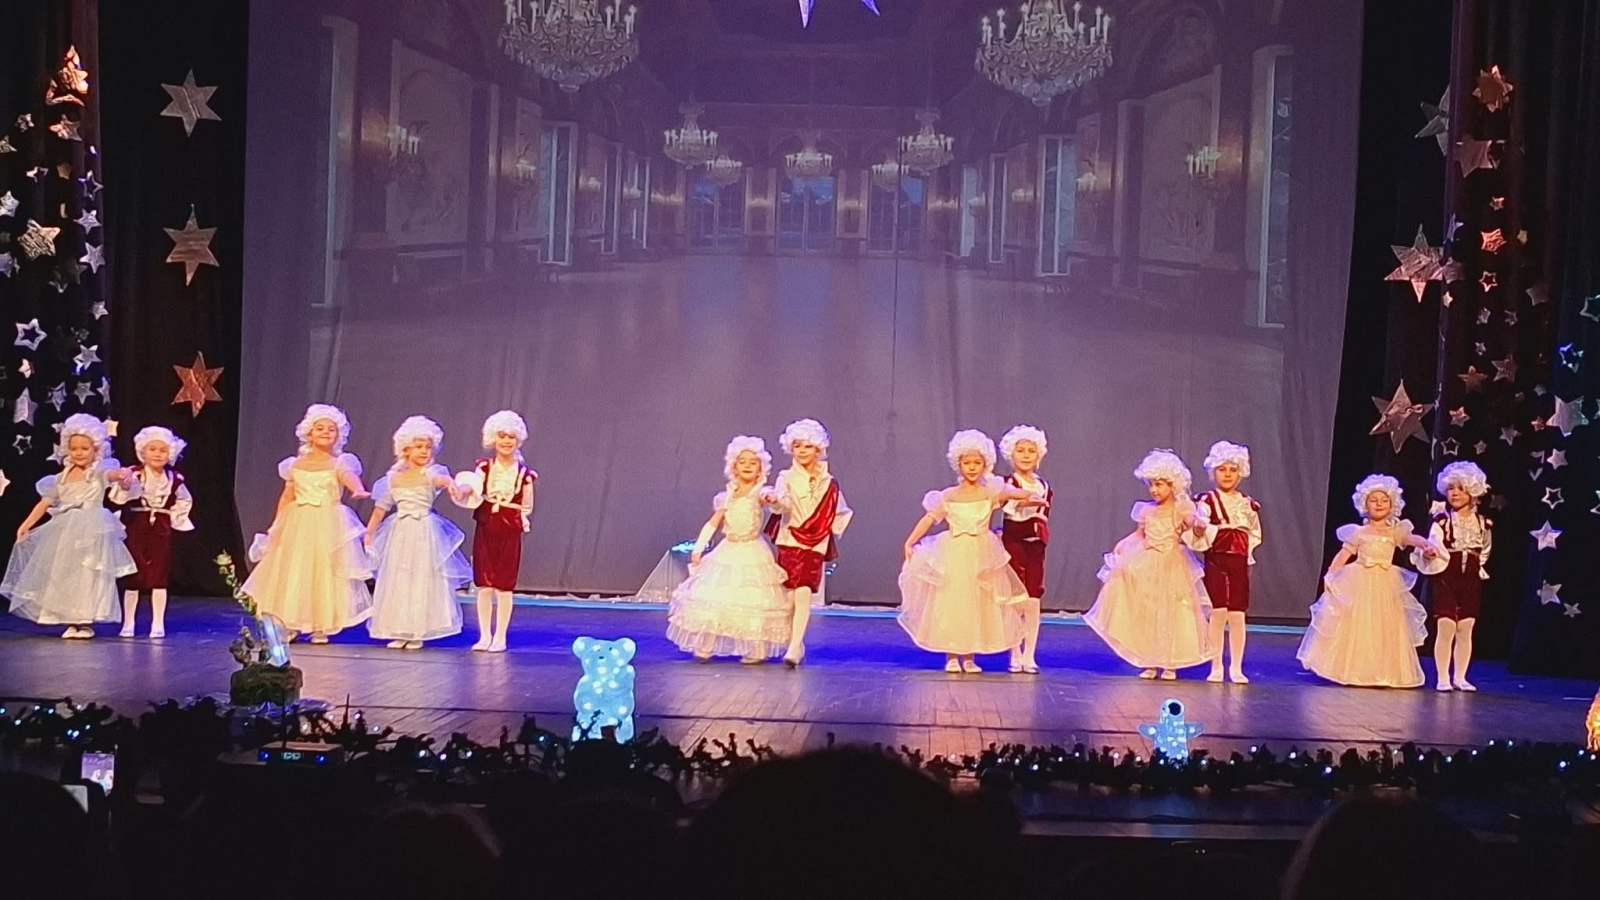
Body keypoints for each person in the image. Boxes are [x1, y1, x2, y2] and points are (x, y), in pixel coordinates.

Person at [898, 429, 1039, 673]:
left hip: (981, 554)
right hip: (954, 553)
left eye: (977, 463)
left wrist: (1031, 495)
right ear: (959, 464)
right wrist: (909, 542)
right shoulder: (949, 496)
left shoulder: (989, 493)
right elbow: (929, 519)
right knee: (954, 601)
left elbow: (1013, 494)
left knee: (976, 602)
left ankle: (970, 656)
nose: (972, 468)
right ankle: (952, 655)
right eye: (967, 463)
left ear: (985, 465)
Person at [243, 403, 372, 643]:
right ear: (309, 433)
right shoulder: (295, 464)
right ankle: (291, 622)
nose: (326, 432)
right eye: (320, 428)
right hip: (298, 522)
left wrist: (358, 489)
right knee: (294, 571)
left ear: (339, 435)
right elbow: (287, 496)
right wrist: (277, 525)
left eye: (331, 429)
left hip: (326, 523)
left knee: (323, 571)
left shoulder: (339, 463)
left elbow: (348, 477)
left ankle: (321, 624)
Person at [1, 414, 138, 639]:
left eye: (84, 448)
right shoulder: (61, 477)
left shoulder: (98, 472)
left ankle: (85, 620)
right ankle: (69, 619)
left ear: (96, 449)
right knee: (65, 573)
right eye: (74, 448)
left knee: (87, 573)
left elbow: (114, 476)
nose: (79, 453)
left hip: (91, 529)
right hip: (65, 530)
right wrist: (26, 524)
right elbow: (45, 503)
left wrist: (123, 476)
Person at [1296, 474, 1440, 688]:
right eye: (1373, 500)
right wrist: (1330, 575)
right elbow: (1343, 555)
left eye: (1384, 500)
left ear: (1392, 504)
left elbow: (1412, 539)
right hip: (1360, 582)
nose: (1379, 504)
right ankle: (1358, 671)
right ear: (1364, 504)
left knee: (1385, 627)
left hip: (1385, 584)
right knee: (1360, 626)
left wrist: (1427, 546)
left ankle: (1383, 672)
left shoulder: (1395, 532)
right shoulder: (1359, 532)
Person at [1083, 449, 1212, 679]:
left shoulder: (1180, 507)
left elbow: (1191, 521)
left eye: (1159, 484)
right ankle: (1150, 660)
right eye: (1151, 484)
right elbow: (1139, 534)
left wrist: (1198, 524)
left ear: (1172, 484)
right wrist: (1123, 544)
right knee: (1148, 612)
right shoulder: (1147, 510)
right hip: (1148, 562)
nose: (1154, 489)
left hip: (1172, 564)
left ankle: (1170, 663)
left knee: (1171, 613)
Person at [666, 435, 791, 663]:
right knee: (716, 596)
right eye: (742, 461)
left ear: (761, 468)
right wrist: (698, 549)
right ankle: (706, 644)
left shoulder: (759, 492)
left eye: (753, 462)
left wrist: (773, 499)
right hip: (728, 549)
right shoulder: (726, 497)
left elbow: (773, 502)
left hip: (752, 551)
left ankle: (755, 648)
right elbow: (712, 524)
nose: (747, 466)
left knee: (752, 598)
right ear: (733, 466)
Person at [364, 416, 472, 649]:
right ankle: (400, 628)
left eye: (428, 447)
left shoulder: (430, 474)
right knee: (399, 577)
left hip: (423, 531)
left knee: (421, 577)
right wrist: (369, 534)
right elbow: (380, 509)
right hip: (400, 532)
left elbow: (443, 480)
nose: (424, 451)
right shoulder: (393, 479)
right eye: (419, 446)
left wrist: (451, 485)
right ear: (405, 449)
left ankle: (418, 630)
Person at [764, 418, 851, 667]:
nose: (802, 451)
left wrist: (829, 529)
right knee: (790, 596)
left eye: (807, 446)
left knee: (803, 591)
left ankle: (794, 647)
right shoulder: (786, 477)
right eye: (797, 446)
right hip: (790, 539)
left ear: (818, 449)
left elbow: (839, 510)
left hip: (815, 543)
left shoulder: (829, 481)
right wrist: (775, 501)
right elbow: (783, 503)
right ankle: (796, 642)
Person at [454, 410, 536, 652]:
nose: (507, 441)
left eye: (511, 437)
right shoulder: (485, 468)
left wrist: (521, 518)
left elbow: (527, 505)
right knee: (484, 583)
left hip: (509, 529)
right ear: (493, 438)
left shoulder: (524, 475)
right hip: (487, 525)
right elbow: (473, 488)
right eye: (502, 436)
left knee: (504, 585)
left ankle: (500, 636)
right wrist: (461, 490)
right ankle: (484, 635)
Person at [1184, 440, 1262, 684]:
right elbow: (1199, 531)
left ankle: (1236, 667)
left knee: (1237, 614)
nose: (1227, 474)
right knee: (1218, 613)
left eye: (1232, 469)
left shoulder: (1247, 503)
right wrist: (1199, 529)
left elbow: (1254, 534)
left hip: (1239, 563)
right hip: (1216, 562)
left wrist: (1247, 558)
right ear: (1213, 472)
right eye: (1222, 469)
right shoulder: (1207, 501)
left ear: (1241, 472)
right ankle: (1216, 666)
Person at [1412, 461, 1491, 691]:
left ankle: (1460, 677)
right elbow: (1433, 543)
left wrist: (1478, 568)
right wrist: (1429, 552)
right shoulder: (1442, 520)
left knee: (1465, 628)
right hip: (1447, 576)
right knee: (1446, 627)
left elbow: (1485, 549)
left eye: (1460, 488)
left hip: (1471, 578)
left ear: (1472, 491)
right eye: (1450, 488)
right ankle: (1443, 677)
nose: (1454, 493)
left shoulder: (1483, 523)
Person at [110, 425, 194, 638]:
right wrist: (126, 486)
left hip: (160, 529)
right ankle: (128, 623)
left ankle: (158, 623)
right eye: (153, 449)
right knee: (133, 575)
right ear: (143, 452)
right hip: (137, 526)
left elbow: (185, 499)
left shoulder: (174, 478)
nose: (157, 454)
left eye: (163, 450)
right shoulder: (135, 474)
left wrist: (175, 517)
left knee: (159, 576)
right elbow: (119, 497)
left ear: (170, 453)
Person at [997, 424, 1052, 673]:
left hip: (1036, 546)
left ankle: (1029, 654)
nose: (1026, 455)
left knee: (1033, 598)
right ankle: (1015, 653)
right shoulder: (1009, 483)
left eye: (1031, 450)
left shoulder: (1043, 485)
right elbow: (1008, 507)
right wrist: (1025, 500)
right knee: (1014, 598)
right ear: (1012, 454)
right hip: (1014, 543)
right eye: (1021, 450)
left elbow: (1043, 514)